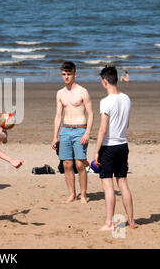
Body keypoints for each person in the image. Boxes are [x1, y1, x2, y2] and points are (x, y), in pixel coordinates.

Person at [93, 66, 138, 231]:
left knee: (108, 185)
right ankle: (131, 221)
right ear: (117, 79)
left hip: (109, 147)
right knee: (123, 183)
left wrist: (97, 151)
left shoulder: (105, 102)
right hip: (122, 144)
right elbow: (127, 124)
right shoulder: (126, 98)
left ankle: (109, 223)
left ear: (104, 81)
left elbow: (102, 130)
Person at [51, 61, 93, 203]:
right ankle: (72, 194)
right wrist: (55, 137)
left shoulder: (82, 91)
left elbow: (91, 114)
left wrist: (87, 133)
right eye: (64, 74)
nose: (66, 77)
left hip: (80, 129)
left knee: (80, 164)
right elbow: (57, 116)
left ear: (75, 74)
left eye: (69, 74)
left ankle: (83, 195)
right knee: (66, 164)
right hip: (65, 130)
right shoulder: (60, 93)